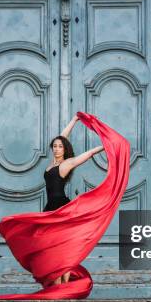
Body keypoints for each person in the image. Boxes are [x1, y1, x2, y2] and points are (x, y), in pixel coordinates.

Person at [43, 114, 104, 285]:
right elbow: (63, 136)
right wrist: (73, 121)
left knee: (60, 250)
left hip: (61, 208)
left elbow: (87, 155)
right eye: (54, 146)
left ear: (65, 149)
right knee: (53, 250)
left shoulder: (66, 164)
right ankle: (59, 288)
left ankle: (61, 289)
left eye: (60, 147)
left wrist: (103, 146)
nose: (56, 149)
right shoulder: (52, 164)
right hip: (50, 209)